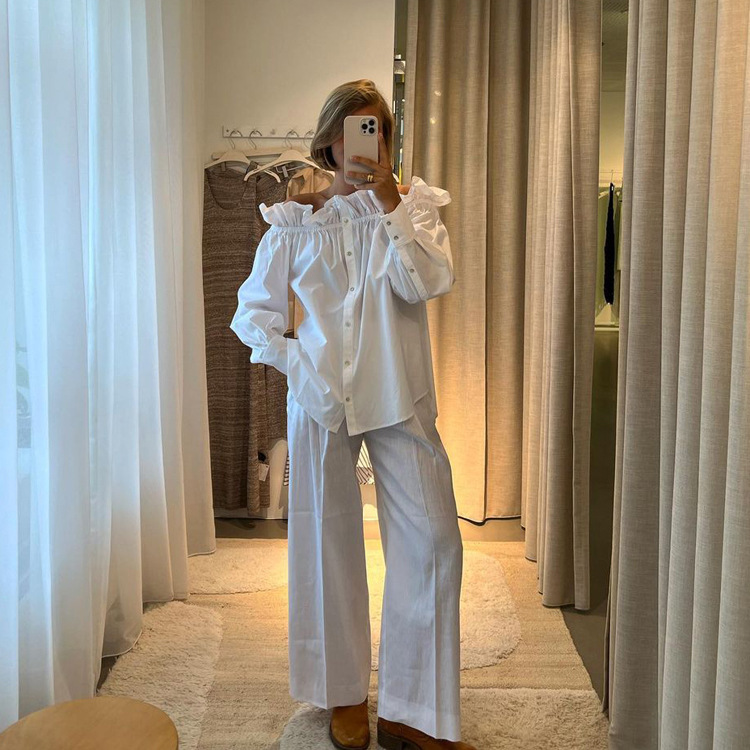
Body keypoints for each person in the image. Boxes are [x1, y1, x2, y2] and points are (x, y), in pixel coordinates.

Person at [230, 79, 474, 750]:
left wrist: (390, 198)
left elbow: (426, 282)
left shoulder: (414, 208)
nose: (367, 144)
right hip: (320, 400)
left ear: (388, 142)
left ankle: (412, 711)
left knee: (434, 544)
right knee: (325, 540)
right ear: (330, 142)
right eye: (355, 131)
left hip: (398, 395)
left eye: (378, 131)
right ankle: (342, 693)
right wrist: (297, 362)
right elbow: (253, 315)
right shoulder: (294, 222)